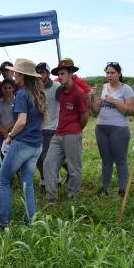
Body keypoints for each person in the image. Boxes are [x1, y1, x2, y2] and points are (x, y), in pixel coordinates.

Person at [0, 58, 47, 227]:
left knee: (3, 180)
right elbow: (44, 121)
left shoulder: (22, 94)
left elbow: (21, 121)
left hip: (22, 144)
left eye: (15, 72)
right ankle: (30, 221)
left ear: (21, 75)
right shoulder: (37, 93)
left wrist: (9, 137)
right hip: (36, 145)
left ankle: (3, 222)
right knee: (27, 184)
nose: (13, 74)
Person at [43, 60, 89, 202]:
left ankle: (72, 196)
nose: (60, 76)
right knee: (48, 163)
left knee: (74, 167)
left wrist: (76, 131)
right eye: (59, 74)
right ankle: (51, 197)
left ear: (71, 74)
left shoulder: (78, 93)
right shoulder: (61, 91)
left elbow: (84, 117)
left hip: (72, 134)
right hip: (58, 133)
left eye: (63, 73)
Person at [92, 62, 134, 197]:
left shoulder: (126, 89)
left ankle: (123, 189)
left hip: (119, 128)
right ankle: (104, 188)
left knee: (120, 159)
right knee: (106, 160)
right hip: (101, 127)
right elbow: (95, 111)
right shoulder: (101, 88)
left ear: (119, 74)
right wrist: (91, 98)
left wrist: (115, 101)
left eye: (112, 72)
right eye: (107, 73)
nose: (109, 75)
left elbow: (131, 111)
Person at [35, 62, 61, 190]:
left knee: (46, 157)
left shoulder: (57, 87)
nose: (40, 75)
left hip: (52, 127)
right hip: (37, 128)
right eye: (38, 72)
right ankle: (50, 178)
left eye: (43, 72)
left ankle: (49, 182)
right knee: (38, 157)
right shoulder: (34, 87)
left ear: (48, 74)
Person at [0, 78, 16, 157]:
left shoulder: (18, 101)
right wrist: (4, 132)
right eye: (5, 88)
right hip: (1, 133)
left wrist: (7, 131)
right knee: (3, 154)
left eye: (9, 88)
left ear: (13, 88)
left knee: (15, 155)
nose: (7, 90)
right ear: (2, 89)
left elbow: (18, 119)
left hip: (15, 132)